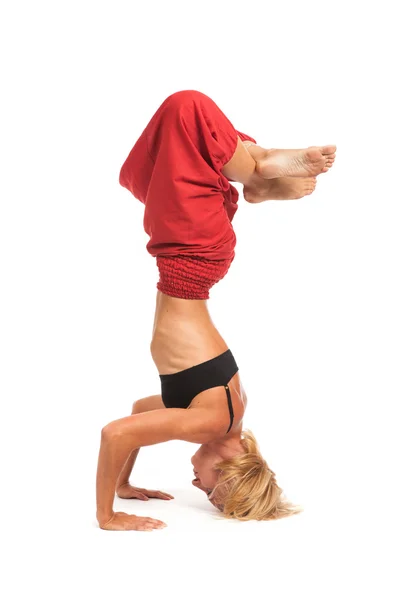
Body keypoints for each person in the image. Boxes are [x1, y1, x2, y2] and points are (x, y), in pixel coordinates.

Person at [96, 90, 336, 531]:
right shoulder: (208, 421)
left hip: (192, 253)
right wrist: (108, 514)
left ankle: (253, 174)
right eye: (208, 489)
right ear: (226, 475)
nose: (196, 482)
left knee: (141, 171)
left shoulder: (219, 416)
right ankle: (259, 172)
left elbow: (135, 413)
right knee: (187, 109)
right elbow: (114, 433)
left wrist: (124, 483)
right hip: (191, 251)